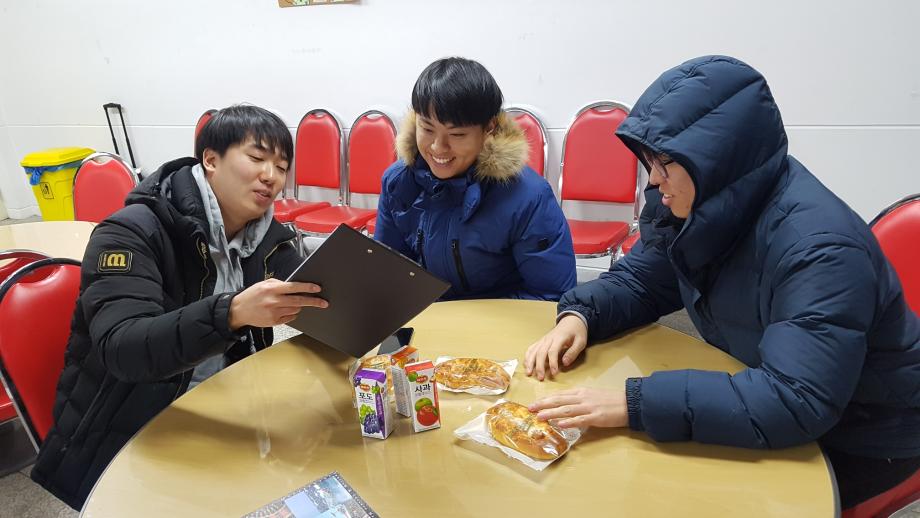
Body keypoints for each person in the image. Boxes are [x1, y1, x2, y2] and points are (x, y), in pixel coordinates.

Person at [524, 55, 920, 509]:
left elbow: (797, 400)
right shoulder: (701, 200)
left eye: (665, 164)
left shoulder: (819, 249)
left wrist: (634, 404)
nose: (655, 181)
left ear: (716, 160)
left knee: (682, 497)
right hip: (775, 384)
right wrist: (581, 315)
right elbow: (644, 280)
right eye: (649, 163)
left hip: (864, 432)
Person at [31, 105, 328, 509]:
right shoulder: (131, 232)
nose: (270, 176)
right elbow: (124, 349)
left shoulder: (266, 238)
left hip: (224, 413)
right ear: (211, 160)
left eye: (281, 166)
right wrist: (232, 312)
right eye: (257, 158)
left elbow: (319, 296)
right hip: (129, 432)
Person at [373, 57, 576, 300]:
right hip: (430, 315)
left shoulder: (528, 198)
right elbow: (388, 274)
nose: (438, 147)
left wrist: (467, 321)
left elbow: (549, 296)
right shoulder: (397, 182)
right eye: (427, 129)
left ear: (489, 128)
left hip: (502, 317)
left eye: (457, 134)